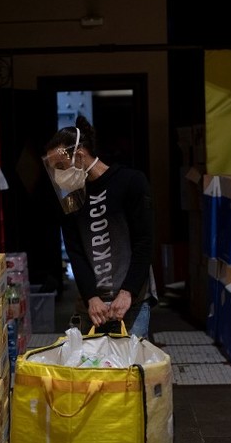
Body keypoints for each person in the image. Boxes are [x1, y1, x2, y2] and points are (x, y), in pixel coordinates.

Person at [43, 116, 158, 338]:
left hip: (131, 298)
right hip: (93, 305)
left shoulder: (131, 182)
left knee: (128, 368)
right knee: (93, 367)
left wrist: (128, 292)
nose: (58, 175)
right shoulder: (71, 200)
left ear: (79, 155)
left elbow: (144, 243)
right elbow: (75, 254)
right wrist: (91, 297)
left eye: (60, 166)